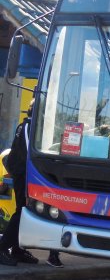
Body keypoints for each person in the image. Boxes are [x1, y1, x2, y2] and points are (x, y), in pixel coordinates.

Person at [0, 101, 63, 268]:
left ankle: (17, 248)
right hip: (23, 174)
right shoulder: (28, 126)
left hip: (26, 173)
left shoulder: (31, 126)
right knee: (22, 211)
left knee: (27, 211)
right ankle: (2, 248)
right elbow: (31, 151)